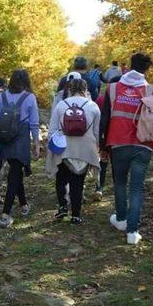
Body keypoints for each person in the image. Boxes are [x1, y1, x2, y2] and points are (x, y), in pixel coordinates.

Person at [100, 52, 153, 245]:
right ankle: (132, 233)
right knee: (137, 187)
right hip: (144, 145)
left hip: (118, 143)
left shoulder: (112, 89)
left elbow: (104, 121)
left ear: (129, 66)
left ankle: (120, 220)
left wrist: (102, 146)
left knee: (119, 182)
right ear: (147, 69)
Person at [46, 79, 101, 224]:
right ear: (86, 89)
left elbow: (52, 130)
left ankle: (63, 207)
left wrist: (51, 148)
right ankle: (76, 215)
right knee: (78, 182)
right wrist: (97, 149)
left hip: (63, 148)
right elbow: (96, 132)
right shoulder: (93, 106)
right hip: (84, 149)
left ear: (69, 89)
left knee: (61, 179)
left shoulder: (61, 105)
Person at [0, 69, 40, 228]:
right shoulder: (30, 97)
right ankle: (5, 214)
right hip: (21, 139)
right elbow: (34, 123)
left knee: (15, 170)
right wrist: (37, 143)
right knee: (14, 173)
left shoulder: (2, 96)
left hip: (5, 138)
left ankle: (24, 205)